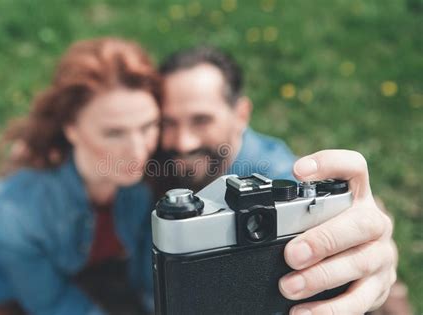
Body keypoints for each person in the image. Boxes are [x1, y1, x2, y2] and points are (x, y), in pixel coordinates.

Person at [153, 46, 400, 314]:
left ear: (241, 115)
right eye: (169, 123)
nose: (182, 141)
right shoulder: (155, 163)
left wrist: (379, 256)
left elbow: (360, 224)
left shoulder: (279, 173)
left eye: (201, 120)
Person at [0, 38, 161, 315]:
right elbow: (51, 304)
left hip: (73, 275)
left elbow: (151, 280)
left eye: (148, 126)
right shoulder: (21, 211)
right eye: (114, 133)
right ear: (71, 128)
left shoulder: (143, 178)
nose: (137, 151)